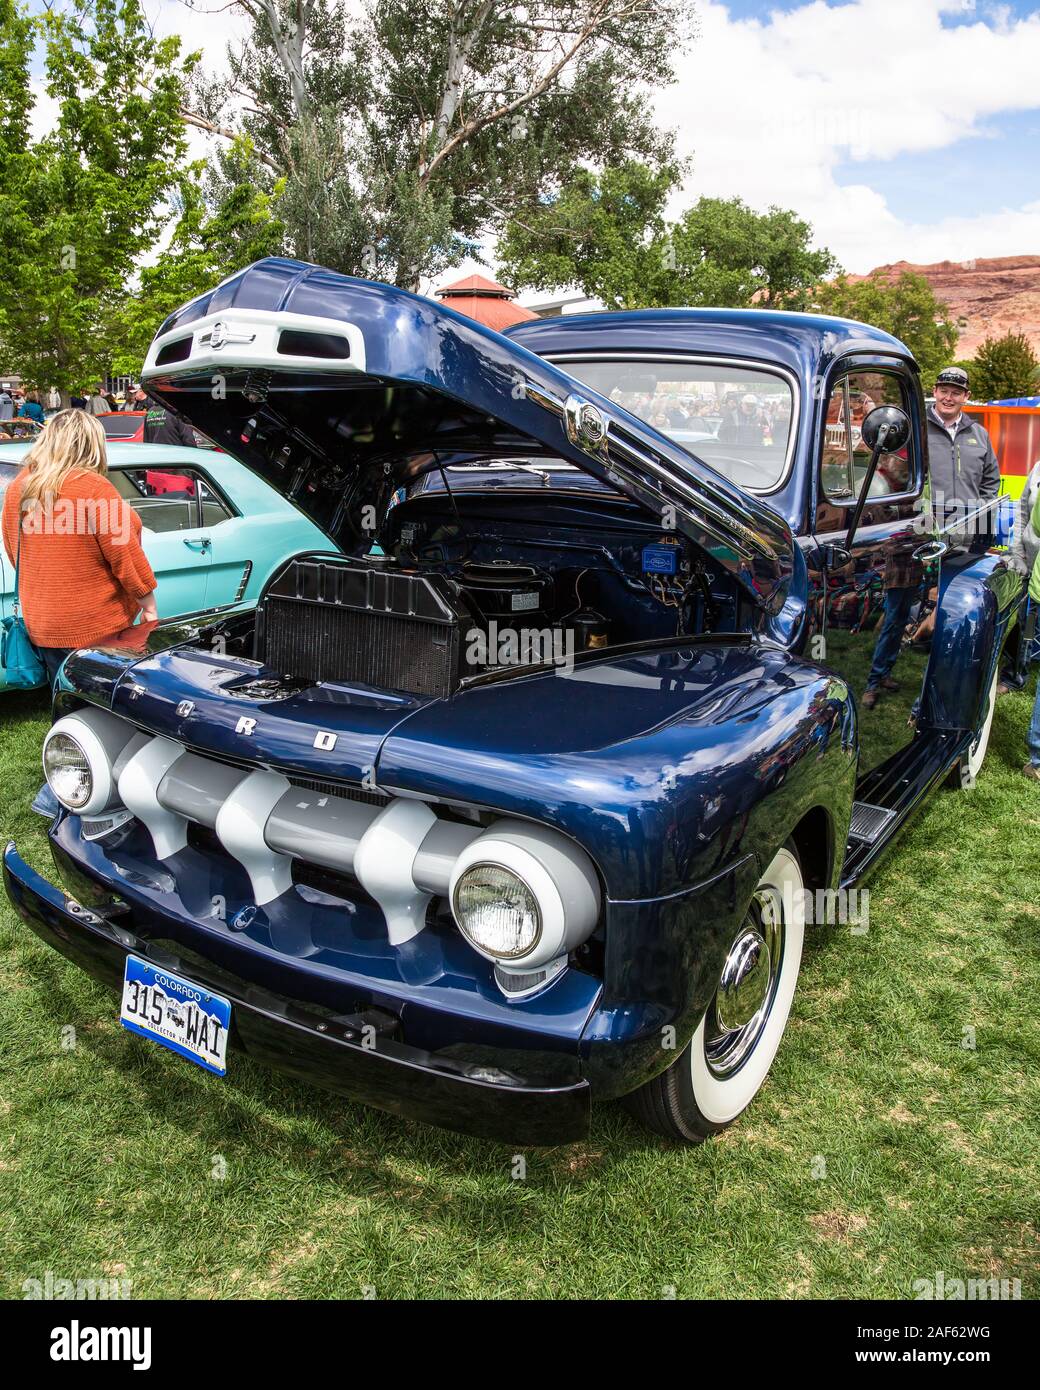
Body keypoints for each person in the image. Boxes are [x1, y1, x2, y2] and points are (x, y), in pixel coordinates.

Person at [0, 410, 158, 685]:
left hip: (42, 622)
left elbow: (15, 552)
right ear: (91, 444)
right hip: (97, 626)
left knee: (64, 698)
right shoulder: (94, 487)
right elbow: (125, 554)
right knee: (101, 706)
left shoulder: (19, 488)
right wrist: (148, 604)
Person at [927, 367, 1000, 544]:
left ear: (966, 396)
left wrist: (979, 516)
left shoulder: (980, 434)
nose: (948, 398)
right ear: (935, 391)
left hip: (968, 536)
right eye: (943, 391)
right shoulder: (917, 430)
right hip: (926, 532)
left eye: (956, 393)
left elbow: (991, 480)